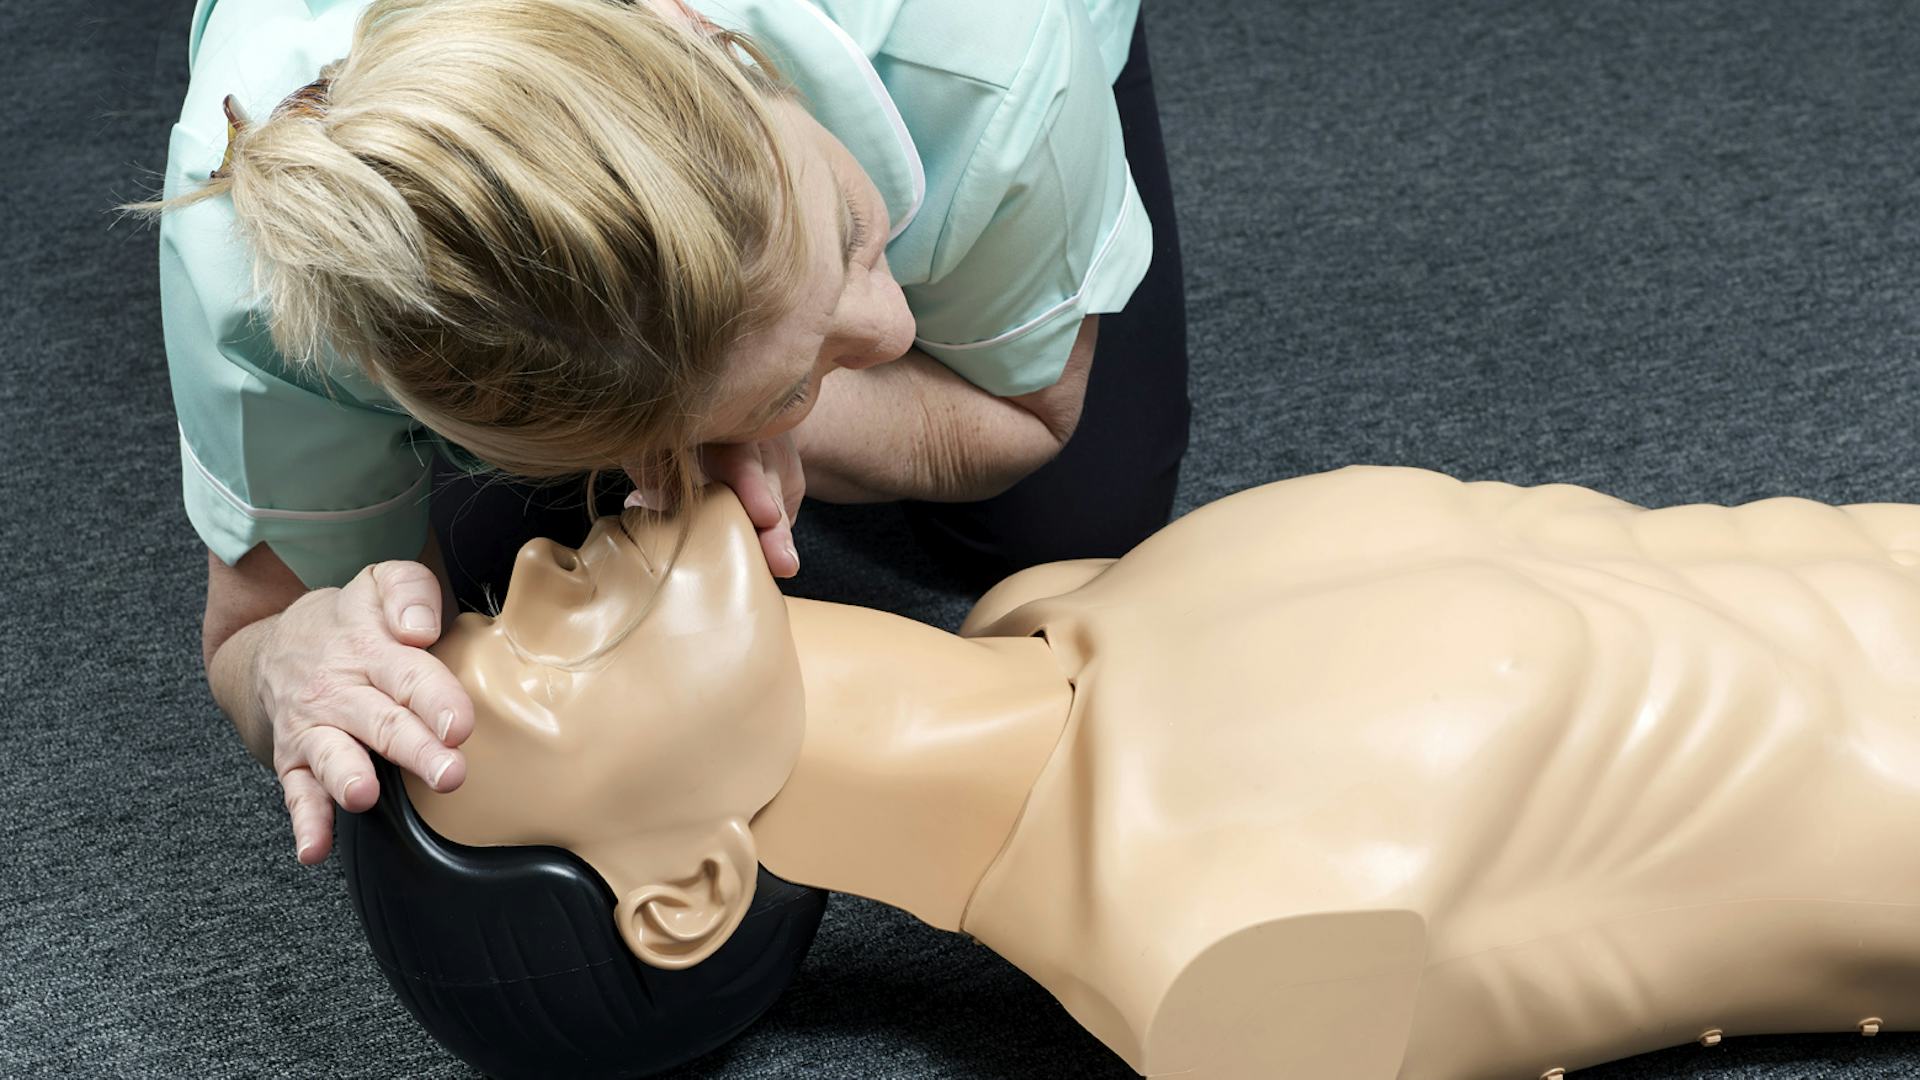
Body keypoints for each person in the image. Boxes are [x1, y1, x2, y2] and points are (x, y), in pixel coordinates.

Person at [415, 467, 1920, 1078]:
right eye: (528, 670)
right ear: (686, 894)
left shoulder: (1060, 610)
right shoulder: (1216, 958)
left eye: (493, 602)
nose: (537, 562)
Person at [151, 0, 1188, 862]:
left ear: (710, 39)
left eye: (846, 224)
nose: (895, 331)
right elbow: (257, 628)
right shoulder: (249, 251)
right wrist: (293, 663)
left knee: (1066, 523)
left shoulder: (985, 49)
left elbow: (1020, 418)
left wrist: (781, 411)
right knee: (454, 648)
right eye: (784, 388)